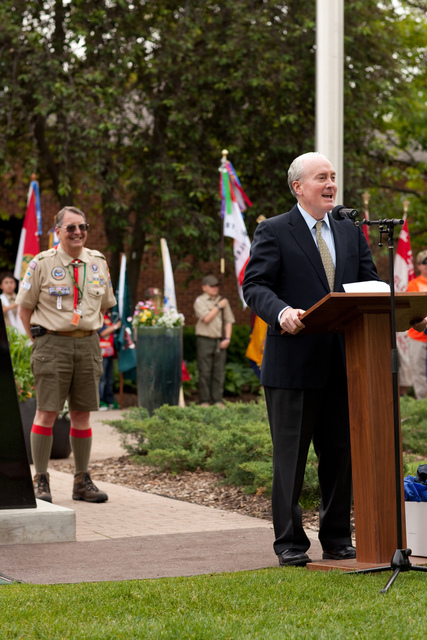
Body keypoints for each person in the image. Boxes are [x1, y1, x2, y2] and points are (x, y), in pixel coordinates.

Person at [242, 151, 380, 567]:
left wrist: (389, 300)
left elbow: (368, 280)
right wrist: (282, 312)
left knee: (340, 456)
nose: (331, 185)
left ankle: (337, 537)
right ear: (298, 187)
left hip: (344, 362)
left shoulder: (349, 229)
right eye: (322, 177)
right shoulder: (274, 230)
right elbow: (255, 284)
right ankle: (290, 542)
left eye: (334, 177)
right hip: (293, 365)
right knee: (291, 459)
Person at [16, 206, 117, 504]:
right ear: (57, 231)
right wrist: (35, 342)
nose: (77, 232)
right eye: (71, 227)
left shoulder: (97, 262)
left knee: (81, 414)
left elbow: (103, 305)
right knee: (46, 412)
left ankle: (82, 481)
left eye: (82, 227)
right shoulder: (42, 263)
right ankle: (41, 481)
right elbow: (24, 308)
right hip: (51, 344)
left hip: (87, 343)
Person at [194, 274, 235, 406]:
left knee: (219, 372)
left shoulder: (223, 301)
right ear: (204, 287)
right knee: (204, 372)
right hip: (205, 340)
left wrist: (228, 338)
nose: (215, 288)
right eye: (212, 286)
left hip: (220, 340)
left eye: (216, 286)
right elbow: (206, 318)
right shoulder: (200, 301)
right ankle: (204, 400)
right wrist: (218, 307)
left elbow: (229, 321)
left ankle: (217, 400)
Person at [406, 250, 427, 399]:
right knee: (419, 374)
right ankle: (422, 407)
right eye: (425, 262)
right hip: (418, 337)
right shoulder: (413, 284)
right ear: (419, 265)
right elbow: (411, 310)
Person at [98, 310, 121, 410]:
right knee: (101, 378)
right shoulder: (99, 315)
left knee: (109, 378)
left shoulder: (108, 316)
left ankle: (109, 400)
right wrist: (116, 326)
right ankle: (99, 401)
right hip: (101, 353)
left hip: (109, 352)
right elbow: (102, 333)